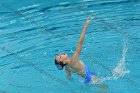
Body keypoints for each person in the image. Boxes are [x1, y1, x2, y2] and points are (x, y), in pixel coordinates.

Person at [55, 17, 95, 83]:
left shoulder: (67, 67)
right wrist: (85, 26)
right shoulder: (74, 61)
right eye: (60, 57)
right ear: (64, 62)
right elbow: (80, 43)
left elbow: (69, 78)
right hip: (91, 78)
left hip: (87, 79)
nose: (60, 54)